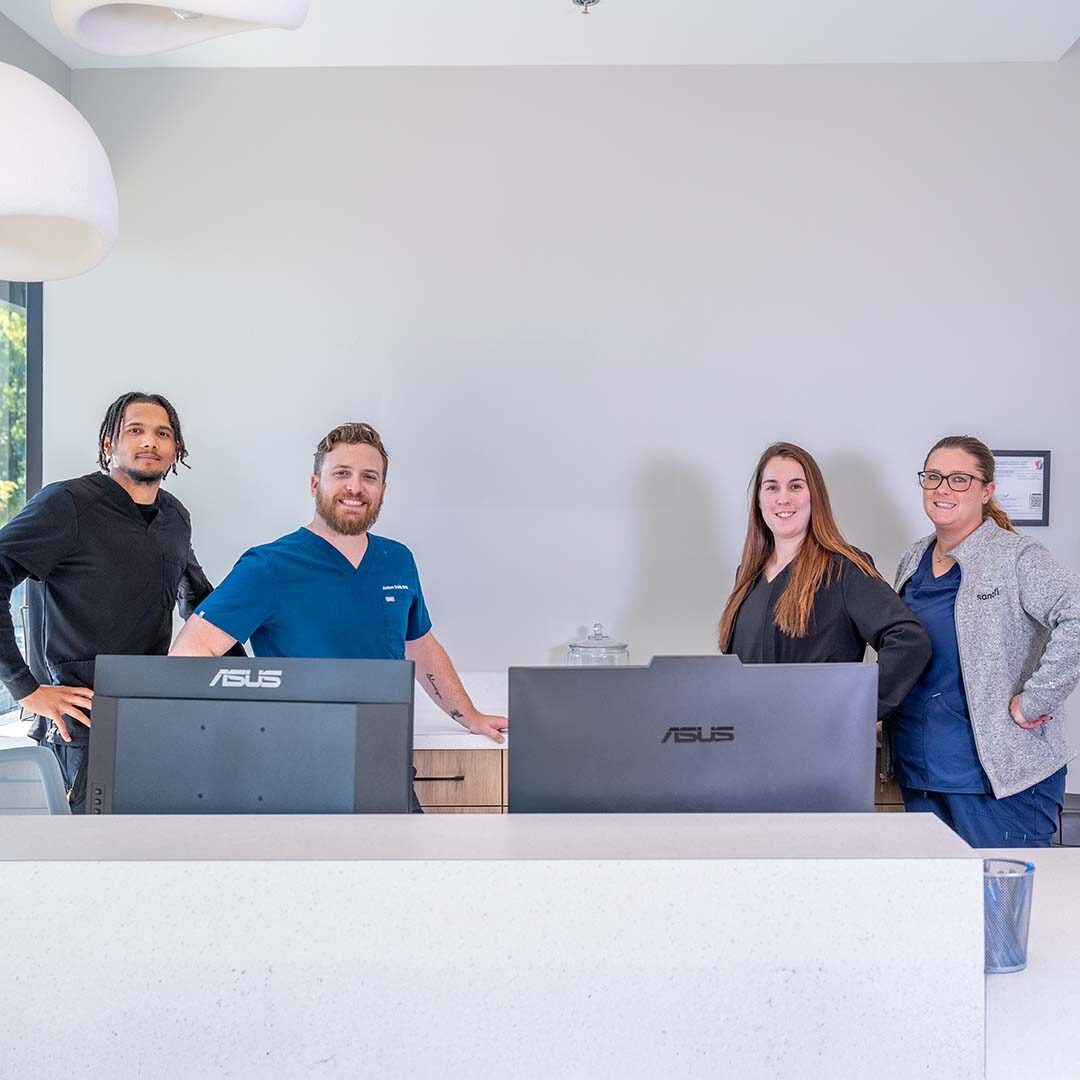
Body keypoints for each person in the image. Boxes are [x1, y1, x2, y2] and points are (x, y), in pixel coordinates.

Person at [170, 422, 507, 754]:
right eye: (341, 473)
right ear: (315, 484)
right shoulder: (269, 566)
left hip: (384, 761)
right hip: (297, 769)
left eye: (369, 477)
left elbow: (421, 649)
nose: (355, 487)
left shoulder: (397, 560)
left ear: (383, 492)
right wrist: (246, 725)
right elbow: (190, 653)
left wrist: (471, 716)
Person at [0, 391, 238, 812]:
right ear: (109, 444)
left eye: (162, 433)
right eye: (136, 430)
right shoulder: (67, 504)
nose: (150, 442)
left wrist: (255, 682)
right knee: (90, 861)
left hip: (149, 715)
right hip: (81, 726)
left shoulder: (175, 517)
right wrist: (24, 687)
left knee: (147, 854)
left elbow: (200, 603)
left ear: (175, 449)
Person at [890, 435, 1079, 847]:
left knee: (1001, 910)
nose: (942, 488)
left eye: (959, 479)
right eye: (933, 477)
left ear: (986, 490)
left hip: (1001, 784)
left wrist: (1037, 699)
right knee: (939, 908)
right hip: (921, 774)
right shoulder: (912, 559)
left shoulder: (1016, 556)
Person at [718, 442, 931, 720]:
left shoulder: (844, 569)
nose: (783, 498)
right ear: (759, 500)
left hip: (820, 749)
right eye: (772, 487)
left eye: (796, 486)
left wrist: (859, 708)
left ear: (814, 497)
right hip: (752, 746)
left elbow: (909, 641)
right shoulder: (747, 577)